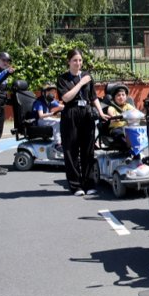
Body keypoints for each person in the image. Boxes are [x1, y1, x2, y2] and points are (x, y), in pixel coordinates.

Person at [56, 49, 108, 196]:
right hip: (71, 113)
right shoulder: (63, 78)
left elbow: (93, 97)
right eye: (75, 60)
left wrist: (101, 112)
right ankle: (75, 185)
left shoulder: (87, 76)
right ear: (69, 62)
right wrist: (80, 83)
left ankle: (89, 183)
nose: (78, 63)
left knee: (88, 150)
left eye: (80, 60)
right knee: (71, 150)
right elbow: (65, 98)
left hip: (86, 113)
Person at [32, 84, 63, 151]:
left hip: (46, 119)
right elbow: (41, 115)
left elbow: (61, 106)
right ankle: (58, 144)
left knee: (62, 121)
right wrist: (52, 113)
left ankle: (64, 141)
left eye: (54, 92)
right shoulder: (40, 101)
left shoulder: (50, 100)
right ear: (44, 92)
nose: (53, 94)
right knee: (56, 123)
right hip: (39, 120)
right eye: (51, 92)